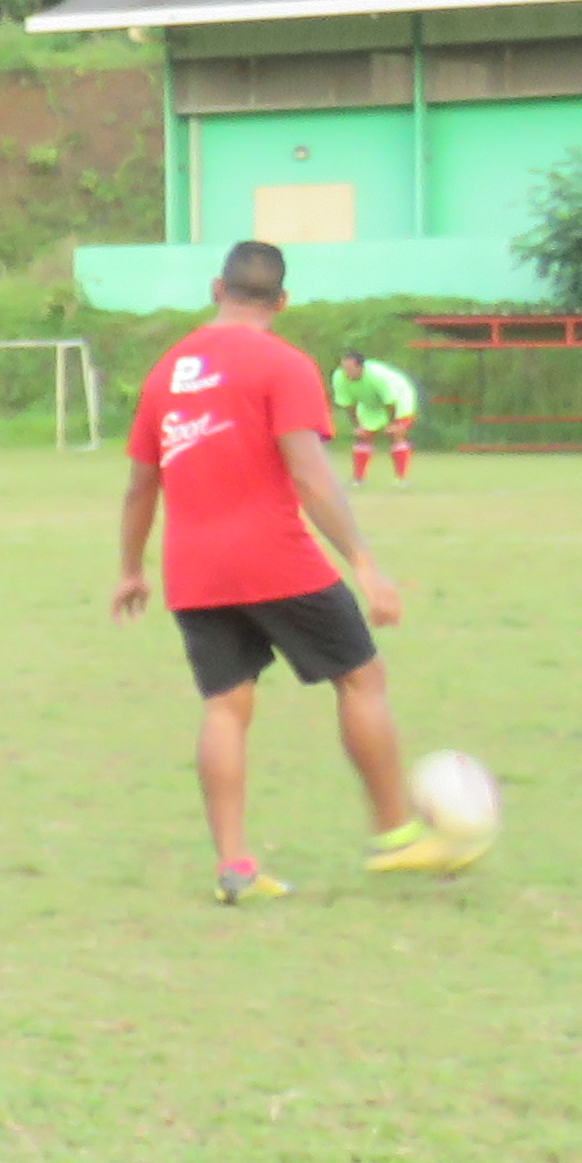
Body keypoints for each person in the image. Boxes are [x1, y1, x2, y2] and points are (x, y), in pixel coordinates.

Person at [109, 244, 477, 902]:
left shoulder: (166, 373)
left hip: (192, 568)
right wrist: (364, 564)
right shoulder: (284, 363)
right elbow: (308, 473)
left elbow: (141, 483)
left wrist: (131, 570)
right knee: (361, 676)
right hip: (274, 557)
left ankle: (235, 869)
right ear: (281, 302)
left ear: (217, 287)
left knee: (225, 705)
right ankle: (395, 835)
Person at [331, 347, 422, 482]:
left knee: (397, 434)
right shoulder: (339, 377)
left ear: (360, 367)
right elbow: (348, 404)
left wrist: (392, 424)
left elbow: (390, 402)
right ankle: (358, 478)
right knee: (363, 436)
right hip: (370, 403)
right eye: (344, 368)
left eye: (350, 369)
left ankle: (401, 478)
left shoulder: (377, 378)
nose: (346, 372)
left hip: (398, 397)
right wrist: (357, 426)